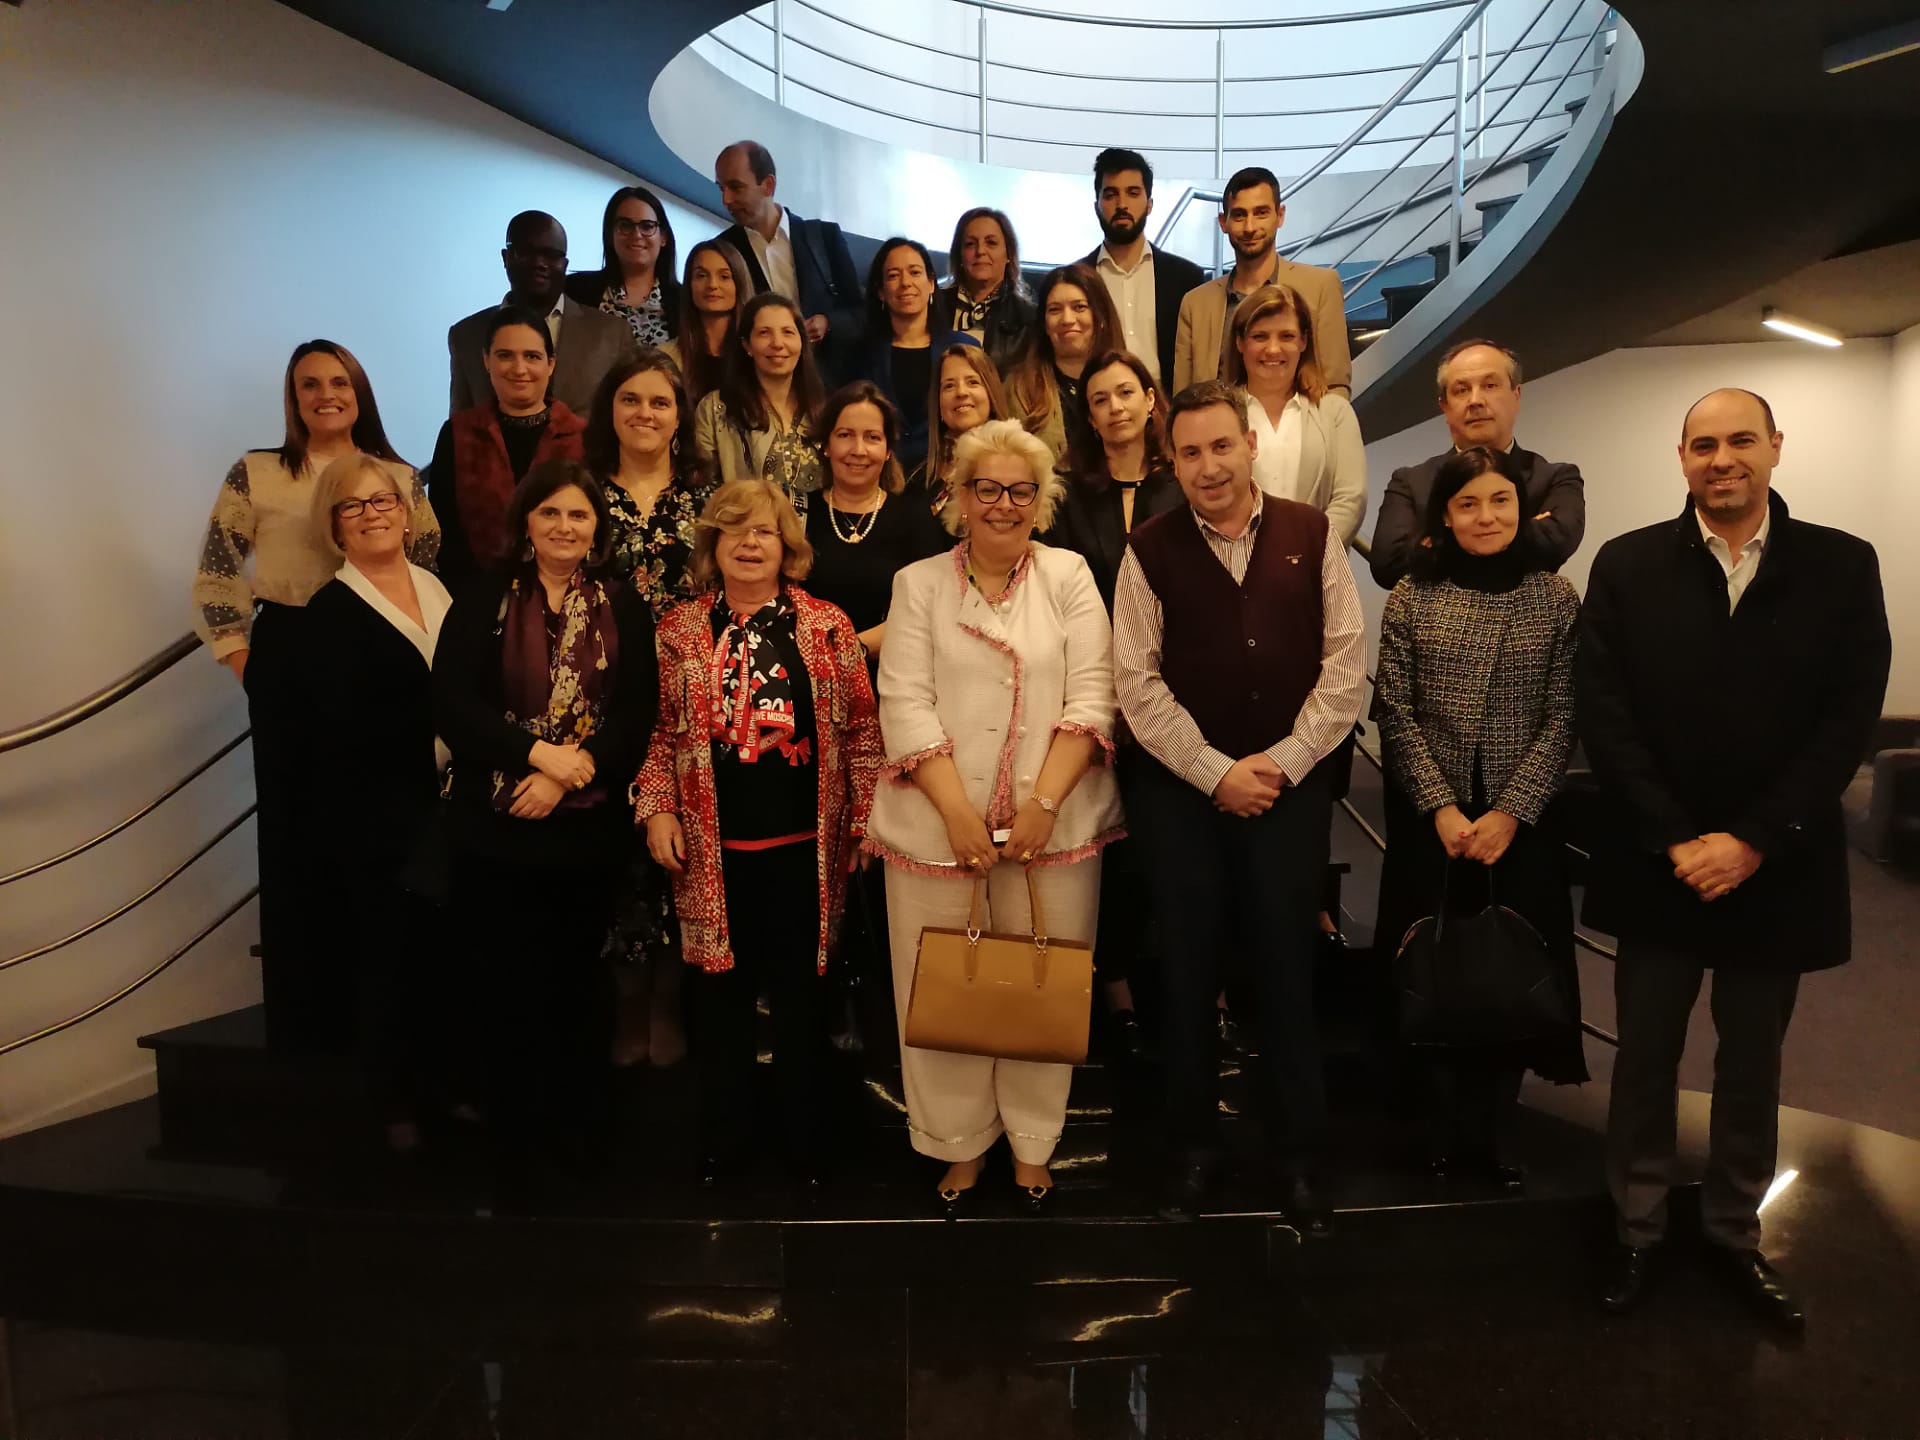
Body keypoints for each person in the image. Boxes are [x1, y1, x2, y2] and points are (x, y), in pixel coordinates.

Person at [1579, 389, 1890, 1330]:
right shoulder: (1627, 564)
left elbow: (1847, 722)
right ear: (1681, 458)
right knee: (1645, 1058)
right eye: (1704, 444)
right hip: (1659, 859)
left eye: (1741, 440)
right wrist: (1680, 837)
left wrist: (1751, 838)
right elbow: (1606, 715)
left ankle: (1731, 1233)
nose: (1723, 459)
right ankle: (1636, 1227)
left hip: (1776, 862)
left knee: (1753, 1064)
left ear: (1775, 448)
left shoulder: (1842, 565)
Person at [1114, 380, 1366, 1230]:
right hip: (1180, 800)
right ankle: (1191, 1153)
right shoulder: (1147, 549)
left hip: (1288, 795)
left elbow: (1344, 669)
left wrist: (1282, 764)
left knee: (1287, 975)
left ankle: (1299, 1160)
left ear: (1250, 444)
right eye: (1189, 453)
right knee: (1185, 978)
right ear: (1172, 461)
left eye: (1222, 446)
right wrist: (1214, 771)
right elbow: (1135, 684)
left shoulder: (1312, 532)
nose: (1208, 466)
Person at [866, 420, 1123, 1213]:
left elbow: (1093, 692)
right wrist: (956, 812)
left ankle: (1034, 1142)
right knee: (943, 991)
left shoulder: (1070, 575)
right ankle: (956, 1142)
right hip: (936, 827)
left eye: (1020, 490)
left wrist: (1043, 804)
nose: (1003, 505)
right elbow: (904, 700)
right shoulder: (918, 584)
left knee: (1043, 986)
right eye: (987, 488)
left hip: (1057, 825)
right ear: (959, 497)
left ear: (1041, 501)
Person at [190, 339, 439, 1053]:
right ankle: (307, 1026)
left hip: (379, 654)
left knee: (379, 837)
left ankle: (383, 1015)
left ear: (360, 392)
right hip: (291, 654)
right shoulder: (258, 472)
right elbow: (217, 574)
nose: (325, 394)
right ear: (293, 397)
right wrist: (249, 666)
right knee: (296, 838)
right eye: (309, 384)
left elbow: (425, 562)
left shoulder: (398, 476)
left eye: (339, 382)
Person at [634, 479, 882, 1182]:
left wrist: (865, 821)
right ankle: (727, 1145)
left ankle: (805, 1147)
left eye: (765, 530)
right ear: (712, 544)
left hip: (807, 854)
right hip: (712, 857)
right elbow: (658, 733)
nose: (749, 543)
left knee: (804, 1002)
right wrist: (656, 807)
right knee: (720, 1008)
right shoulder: (678, 629)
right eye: (734, 530)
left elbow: (864, 732)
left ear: (787, 546)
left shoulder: (827, 625)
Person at [432, 461, 657, 1202]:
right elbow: (452, 703)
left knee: (577, 984)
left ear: (598, 529)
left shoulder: (623, 605)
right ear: (526, 522)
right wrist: (535, 756)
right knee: (504, 983)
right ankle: (512, 1140)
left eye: (579, 515)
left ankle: (579, 1134)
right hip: (495, 828)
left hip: (584, 833)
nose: (565, 527)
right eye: (551, 513)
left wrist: (571, 771)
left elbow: (637, 712)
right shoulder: (483, 598)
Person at [1372, 445, 1586, 1186]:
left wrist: (1511, 813)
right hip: (1431, 820)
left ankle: (1496, 1130)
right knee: (1430, 967)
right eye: (1468, 504)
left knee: (1511, 972)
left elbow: (1563, 717)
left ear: (1522, 509)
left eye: (1500, 501)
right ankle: (1440, 1129)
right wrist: (1438, 806)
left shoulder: (1554, 598)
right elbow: (1394, 711)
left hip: (1519, 823)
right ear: (1445, 516)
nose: (1485, 517)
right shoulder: (1412, 595)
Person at [301, 453, 456, 1151]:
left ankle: (447, 1085)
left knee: (444, 958)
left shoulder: (435, 585)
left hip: (449, 805)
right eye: (354, 506)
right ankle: (396, 1103)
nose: (372, 515)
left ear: (405, 510)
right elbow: (341, 728)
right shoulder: (329, 612)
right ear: (335, 526)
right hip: (379, 814)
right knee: (389, 959)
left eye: (383, 501)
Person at [581, 350, 718, 1069]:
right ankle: (623, 1003)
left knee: (681, 855)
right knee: (614, 854)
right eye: (630, 399)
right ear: (609, 409)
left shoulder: (707, 497)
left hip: (690, 701)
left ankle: (669, 1002)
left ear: (679, 415)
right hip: (599, 703)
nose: (644, 413)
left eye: (660, 401)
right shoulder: (581, 493)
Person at [1046, 349, 1182, 1060]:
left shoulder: (1182, 483)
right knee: (1110, 850)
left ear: (1150, 399)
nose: (1115, 408)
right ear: (1089, 416)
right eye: (1100, 399)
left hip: (1181, 689)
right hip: (1095, 688)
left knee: (1182, 849)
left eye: (1126, 393)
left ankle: (1201, 995)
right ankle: (1117, 991)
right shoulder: (1071, 494)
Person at [1369, 339, 1585, 589]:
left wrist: (1434, 540)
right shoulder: (1411, 482)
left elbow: (1555, 545)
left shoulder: (1556, 477)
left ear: (1516, 395)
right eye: (1461, 390)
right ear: (1444, 407)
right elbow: (1388, 566)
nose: (1475, 400)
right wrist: (1522, 531)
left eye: (1490, 386)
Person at [429, 306, 588, 596]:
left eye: (532, 356)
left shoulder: (583, 436)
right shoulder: (457, 434)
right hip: (474, 598)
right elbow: (444, 532)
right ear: (486, 360)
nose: (519, 369)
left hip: (568, 600)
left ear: (551, 364)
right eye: (505, 355)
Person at [802, 381, 950, 668]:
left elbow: (929, 609)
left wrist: (851, 651)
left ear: (888, 450)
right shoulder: (798, 513)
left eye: (872, 437)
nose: (858, 450)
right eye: (845, 435)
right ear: (826, 446)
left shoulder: (914, 518)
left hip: (892, 677)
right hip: (808, 674)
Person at [1173, 167, 1351, 396]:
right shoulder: (1195, 304)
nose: (1250, 227)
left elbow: (1335, 386)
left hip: (1302, 418)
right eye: (1239, 215)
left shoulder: (1320, 287)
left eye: (1261, 213)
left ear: (1280, 215)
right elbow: (1183, 400)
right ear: (1223, 222)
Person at [448, 210, 634, 418]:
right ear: (506, 257)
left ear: (565, 264)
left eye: (551, 255)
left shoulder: (613, 335)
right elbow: (459, 426)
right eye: (526, 252)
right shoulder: (466, 336)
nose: (539, 263)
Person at [1225, 284, 1367, 545]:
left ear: (1303, 341)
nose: (1273, 349)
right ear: (1240, 342)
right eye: (1260, 336)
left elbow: (1350, 499)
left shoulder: (1335, 413)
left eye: (1287, 336)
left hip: (1317, 563)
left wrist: (1305, 554)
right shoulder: (1218, 416)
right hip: (1236, 563)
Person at [713, 141, 863, 381]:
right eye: (721, 188)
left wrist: (828, 322)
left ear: (768, 185)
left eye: (736, 187)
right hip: (758, 386)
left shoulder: (824, 237)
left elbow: (861, 313)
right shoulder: (723, 250)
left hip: (827, 384)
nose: (726, 199)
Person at [1080, 147, 1207, 392]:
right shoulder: (1079, 278)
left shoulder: (1186, 278)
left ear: (1149, 204)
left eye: (1133, 193)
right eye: (1110, 194)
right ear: (1097, 205)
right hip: (1100, 403)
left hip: (1170, 404)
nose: (1122, 204)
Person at [692, 291, 826, 506]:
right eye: (764, 333)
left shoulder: (825, 410)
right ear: (747, 345)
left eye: (788, 332)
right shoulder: (715, 408)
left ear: (802, 342)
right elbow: (703, 489)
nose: (778, 343)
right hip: (742, 524)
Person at [855, 236, 974, 473]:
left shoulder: (962, 348)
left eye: (915, 272)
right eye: (893, 275)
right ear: (881, 291)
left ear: (931, 284)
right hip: (880, 472)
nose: (905, 283)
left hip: (948, 472)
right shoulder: (861, 353)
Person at [1005, 262, 1124, 470]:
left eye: (1079, 307)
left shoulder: (1129, 381)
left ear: (1100, 317)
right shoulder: (1020, 388)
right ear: (1044, 323)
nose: (1067, 319)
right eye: (1055, 310)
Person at [564, 185, 680, 349]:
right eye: (625, 225)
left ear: (663, 237)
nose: (636, 234)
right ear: (610, 235)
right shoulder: (574, 291)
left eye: (647, 226)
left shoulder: (685, 302)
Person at [930, 207, 1037, 378]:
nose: (980, 251)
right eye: (970, 244)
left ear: (1008, 254)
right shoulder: (932, 306)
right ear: (960, 254)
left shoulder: (1029, 319)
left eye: (991, 243)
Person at [912, 340, 1011, 518]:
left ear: (991, 393)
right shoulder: (918, 481)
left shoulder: (1023, 467)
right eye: (949, 386)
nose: (961, 392)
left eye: (973, 382)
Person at [662, 237, 756, 405]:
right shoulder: (666, 357)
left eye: (724, 276)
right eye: (701, 275)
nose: (712, 285)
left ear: (739, 283)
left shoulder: (759, 352)